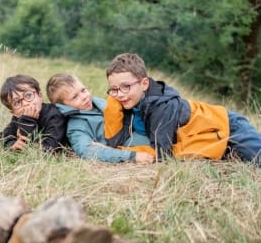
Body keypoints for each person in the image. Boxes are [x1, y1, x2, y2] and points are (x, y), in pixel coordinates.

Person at [104, 53, 261, 165]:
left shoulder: (161, 106)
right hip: (211, 143)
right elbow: (115, 141)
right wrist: (113, 102)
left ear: (144, 84)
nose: (120, 94)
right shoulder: (128, 103)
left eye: (126, 87)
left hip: (229, 127)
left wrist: (126, 154)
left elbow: (162, 154)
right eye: (114, 89)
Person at [46, 73, 155, 164]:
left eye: (83, 90)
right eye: (75, 97)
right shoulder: (77, 126)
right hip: (133, 143)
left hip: (143, 127)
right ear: (64, 106)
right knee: (166, 146)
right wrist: (131, 156)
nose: (84, 97)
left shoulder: (100, 103)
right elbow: (86, 151)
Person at [0, 75, 68, 152]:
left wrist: (28, 122)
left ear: (40, 96)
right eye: (17, 102)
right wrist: (12, 145)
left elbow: (49, 149)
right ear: (13, 112)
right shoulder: (17, 119)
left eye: (28, 95)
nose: (25, 103)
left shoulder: (54, 114)